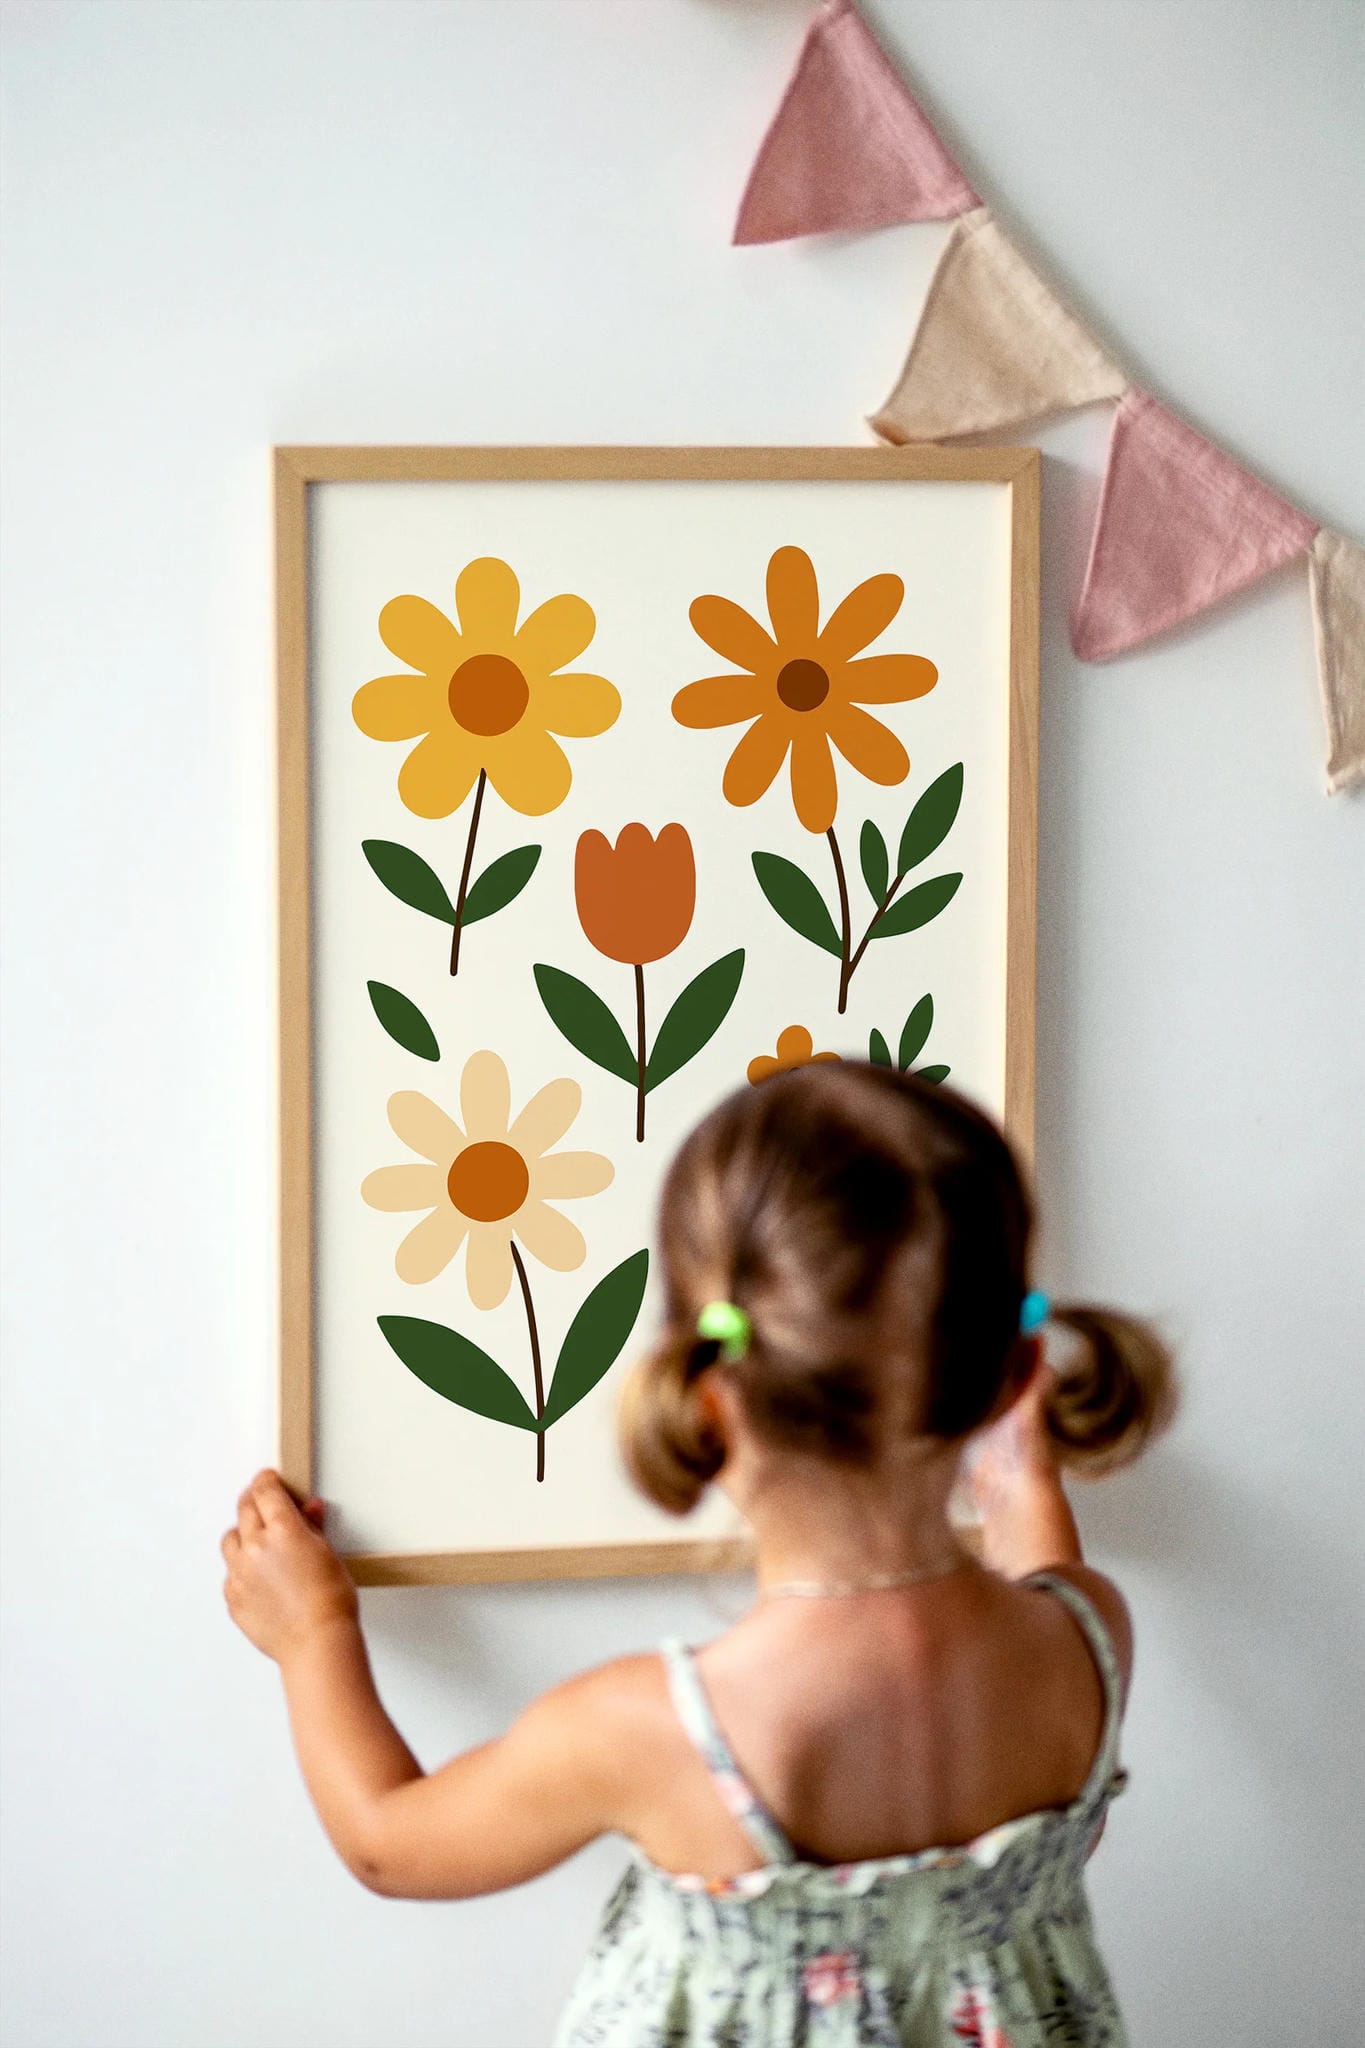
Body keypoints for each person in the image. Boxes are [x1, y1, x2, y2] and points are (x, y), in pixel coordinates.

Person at [223, 1061, 1174, 2045]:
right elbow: (1042, 1596)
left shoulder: (658, 1727)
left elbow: (388, 1842)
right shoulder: (1086, 1642)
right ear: (1016, 1374)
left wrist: (314, 1630)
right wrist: (1021, 1481)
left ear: (709, 1398)